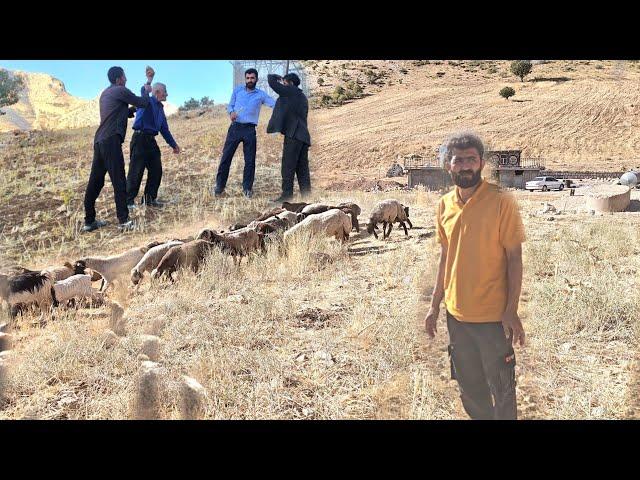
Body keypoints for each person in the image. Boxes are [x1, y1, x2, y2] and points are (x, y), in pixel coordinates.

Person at [424, 132, 526, 420]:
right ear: (449, 165)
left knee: (503, 390)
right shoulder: (444, 205)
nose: (465, 165)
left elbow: (514, 257)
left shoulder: (502, 201)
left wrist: (511, 310)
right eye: (458, 160)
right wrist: (434, 306)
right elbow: (446, 256)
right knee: (470, 389)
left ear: (481, 163)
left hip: (493, 318)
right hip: (456, 317)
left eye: (471, 159)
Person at [83, 66, 151, 232]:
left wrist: (129, 111)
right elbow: (143, 102)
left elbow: (116, 112)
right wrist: (146, 89)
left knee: (95, 182)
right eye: (125, 77)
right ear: (119, 78)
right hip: (111, 141)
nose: (126, 79)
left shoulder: (106, 94)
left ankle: (89, 221)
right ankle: (124, 220)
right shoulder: (120, 90)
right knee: (119, 180)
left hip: (99, 141)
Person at [213, 68, 275, 198]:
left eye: (252, 78)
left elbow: (274, 104)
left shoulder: (261, 94)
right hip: (235, 128)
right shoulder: (237, 90)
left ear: (256, 79)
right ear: (245, 79)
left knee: (250, 161)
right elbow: (230, 105)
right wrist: (231, 112)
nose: (250, 80)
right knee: (226, 158)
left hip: (249, 130)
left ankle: (247, 189)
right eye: (248, 78)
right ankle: (219, 187)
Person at [126, 67, 180, 209]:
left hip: (151, 141)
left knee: (156, 170)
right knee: (136, 171)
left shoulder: (161, 109)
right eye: (165, 92)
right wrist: (150, 79)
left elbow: (164, 129)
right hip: (139, 140)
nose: (167, 94)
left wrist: (173, 145)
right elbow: (144, 91)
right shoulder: (146, 102)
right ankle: (129, 201)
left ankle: (149, 200)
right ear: (157, 92)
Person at [266, 72, 311, 203]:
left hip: (294, 135)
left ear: (290, 83)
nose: (283, 86)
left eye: (285, 84)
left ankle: (287, 196)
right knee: (302, 169)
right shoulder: (302, 96)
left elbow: (271, 81)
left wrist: (278, 78)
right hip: (303, 137)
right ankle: (307, 197)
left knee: (288, 167)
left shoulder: (291, 91)